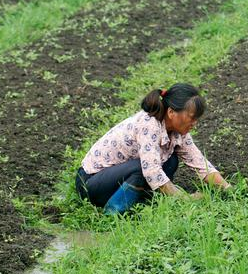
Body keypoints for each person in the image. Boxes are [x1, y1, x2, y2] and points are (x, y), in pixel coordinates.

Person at [75, 83, 231, 215]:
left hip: (117, 178)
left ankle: (140, 202)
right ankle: (114, 212)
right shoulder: (149, 125)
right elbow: (151, 171)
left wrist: (228, 189)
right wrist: (185, 198)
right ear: (171, 112)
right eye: (191, 117)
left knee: (171, 161)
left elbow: (199, 162)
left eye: (197, 118)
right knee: (143, 168)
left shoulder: (178, 132)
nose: (195, 122)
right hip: (90, 183)